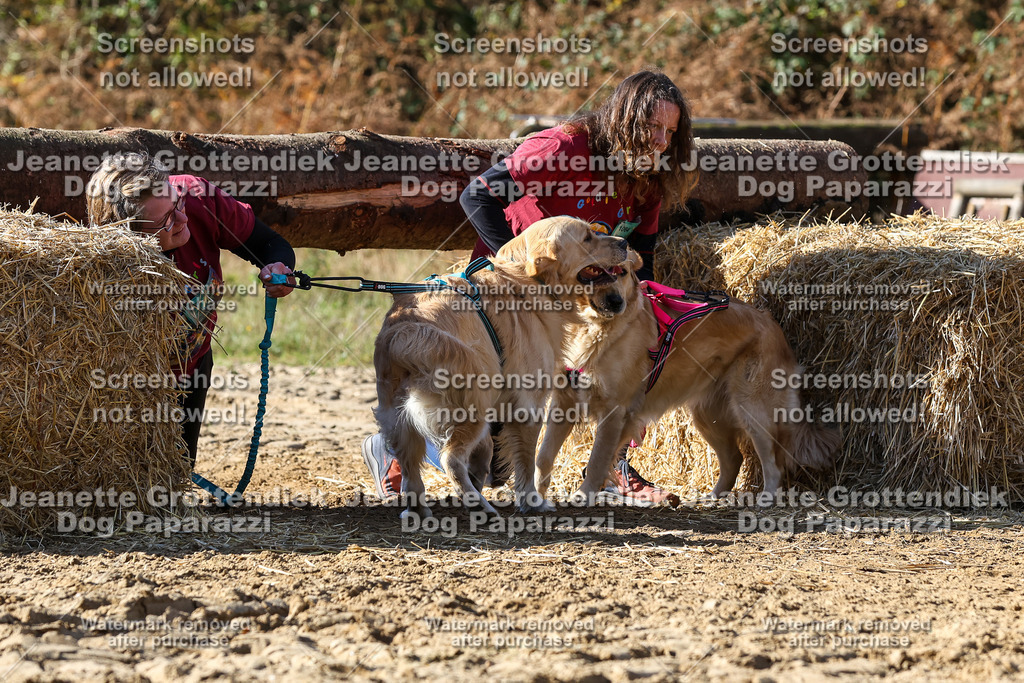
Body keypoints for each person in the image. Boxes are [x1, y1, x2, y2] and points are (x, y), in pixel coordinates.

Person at [363, 69, 696, 506]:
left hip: (578, 295)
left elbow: (642, 258)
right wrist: (521, 276)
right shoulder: (562, 149)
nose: (660, 142)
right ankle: (393, 451)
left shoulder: (648, 177)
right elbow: (477, 197)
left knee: (611, 373)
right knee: (488, 417)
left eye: (670, 133)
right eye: (652, 127)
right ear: (623, 120)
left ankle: (615, 467)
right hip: (508, 292)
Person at [86, 152, 296, 470]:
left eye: (177, 205)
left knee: (177, 476)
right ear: (127, 237)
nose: (183, 220)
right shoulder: (104, 273)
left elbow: (268, 242)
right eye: (166, 220)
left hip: (193, 364)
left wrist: (278, 267)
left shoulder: (196, 198)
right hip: (129, 384)